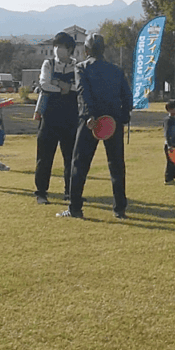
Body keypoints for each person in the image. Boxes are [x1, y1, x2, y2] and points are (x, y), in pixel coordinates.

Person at [58, 33, 132, 219]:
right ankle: (120, 209)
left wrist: (89, 115)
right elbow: (127, 97)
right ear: (104, 49)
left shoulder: (81, 67)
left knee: (79, 165)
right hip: (113, 122)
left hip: (90, 122)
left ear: (86, 50)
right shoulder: (117, 70)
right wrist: (122, 117)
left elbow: (83, 93)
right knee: (116, 166)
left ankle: (75, 208)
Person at [33, 32, 78, 205]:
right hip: (50, 118)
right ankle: (41, 192)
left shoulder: (77, 66)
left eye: (62, 47)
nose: (58, 50)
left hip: (71, 118)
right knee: (44, 157)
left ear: (70, 49)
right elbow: (44, 84)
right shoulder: (49, 64)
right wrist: (62, 88)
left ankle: (70, 192)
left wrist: (64, 85)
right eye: (56, 46)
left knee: (71, 158)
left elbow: (80, 87)